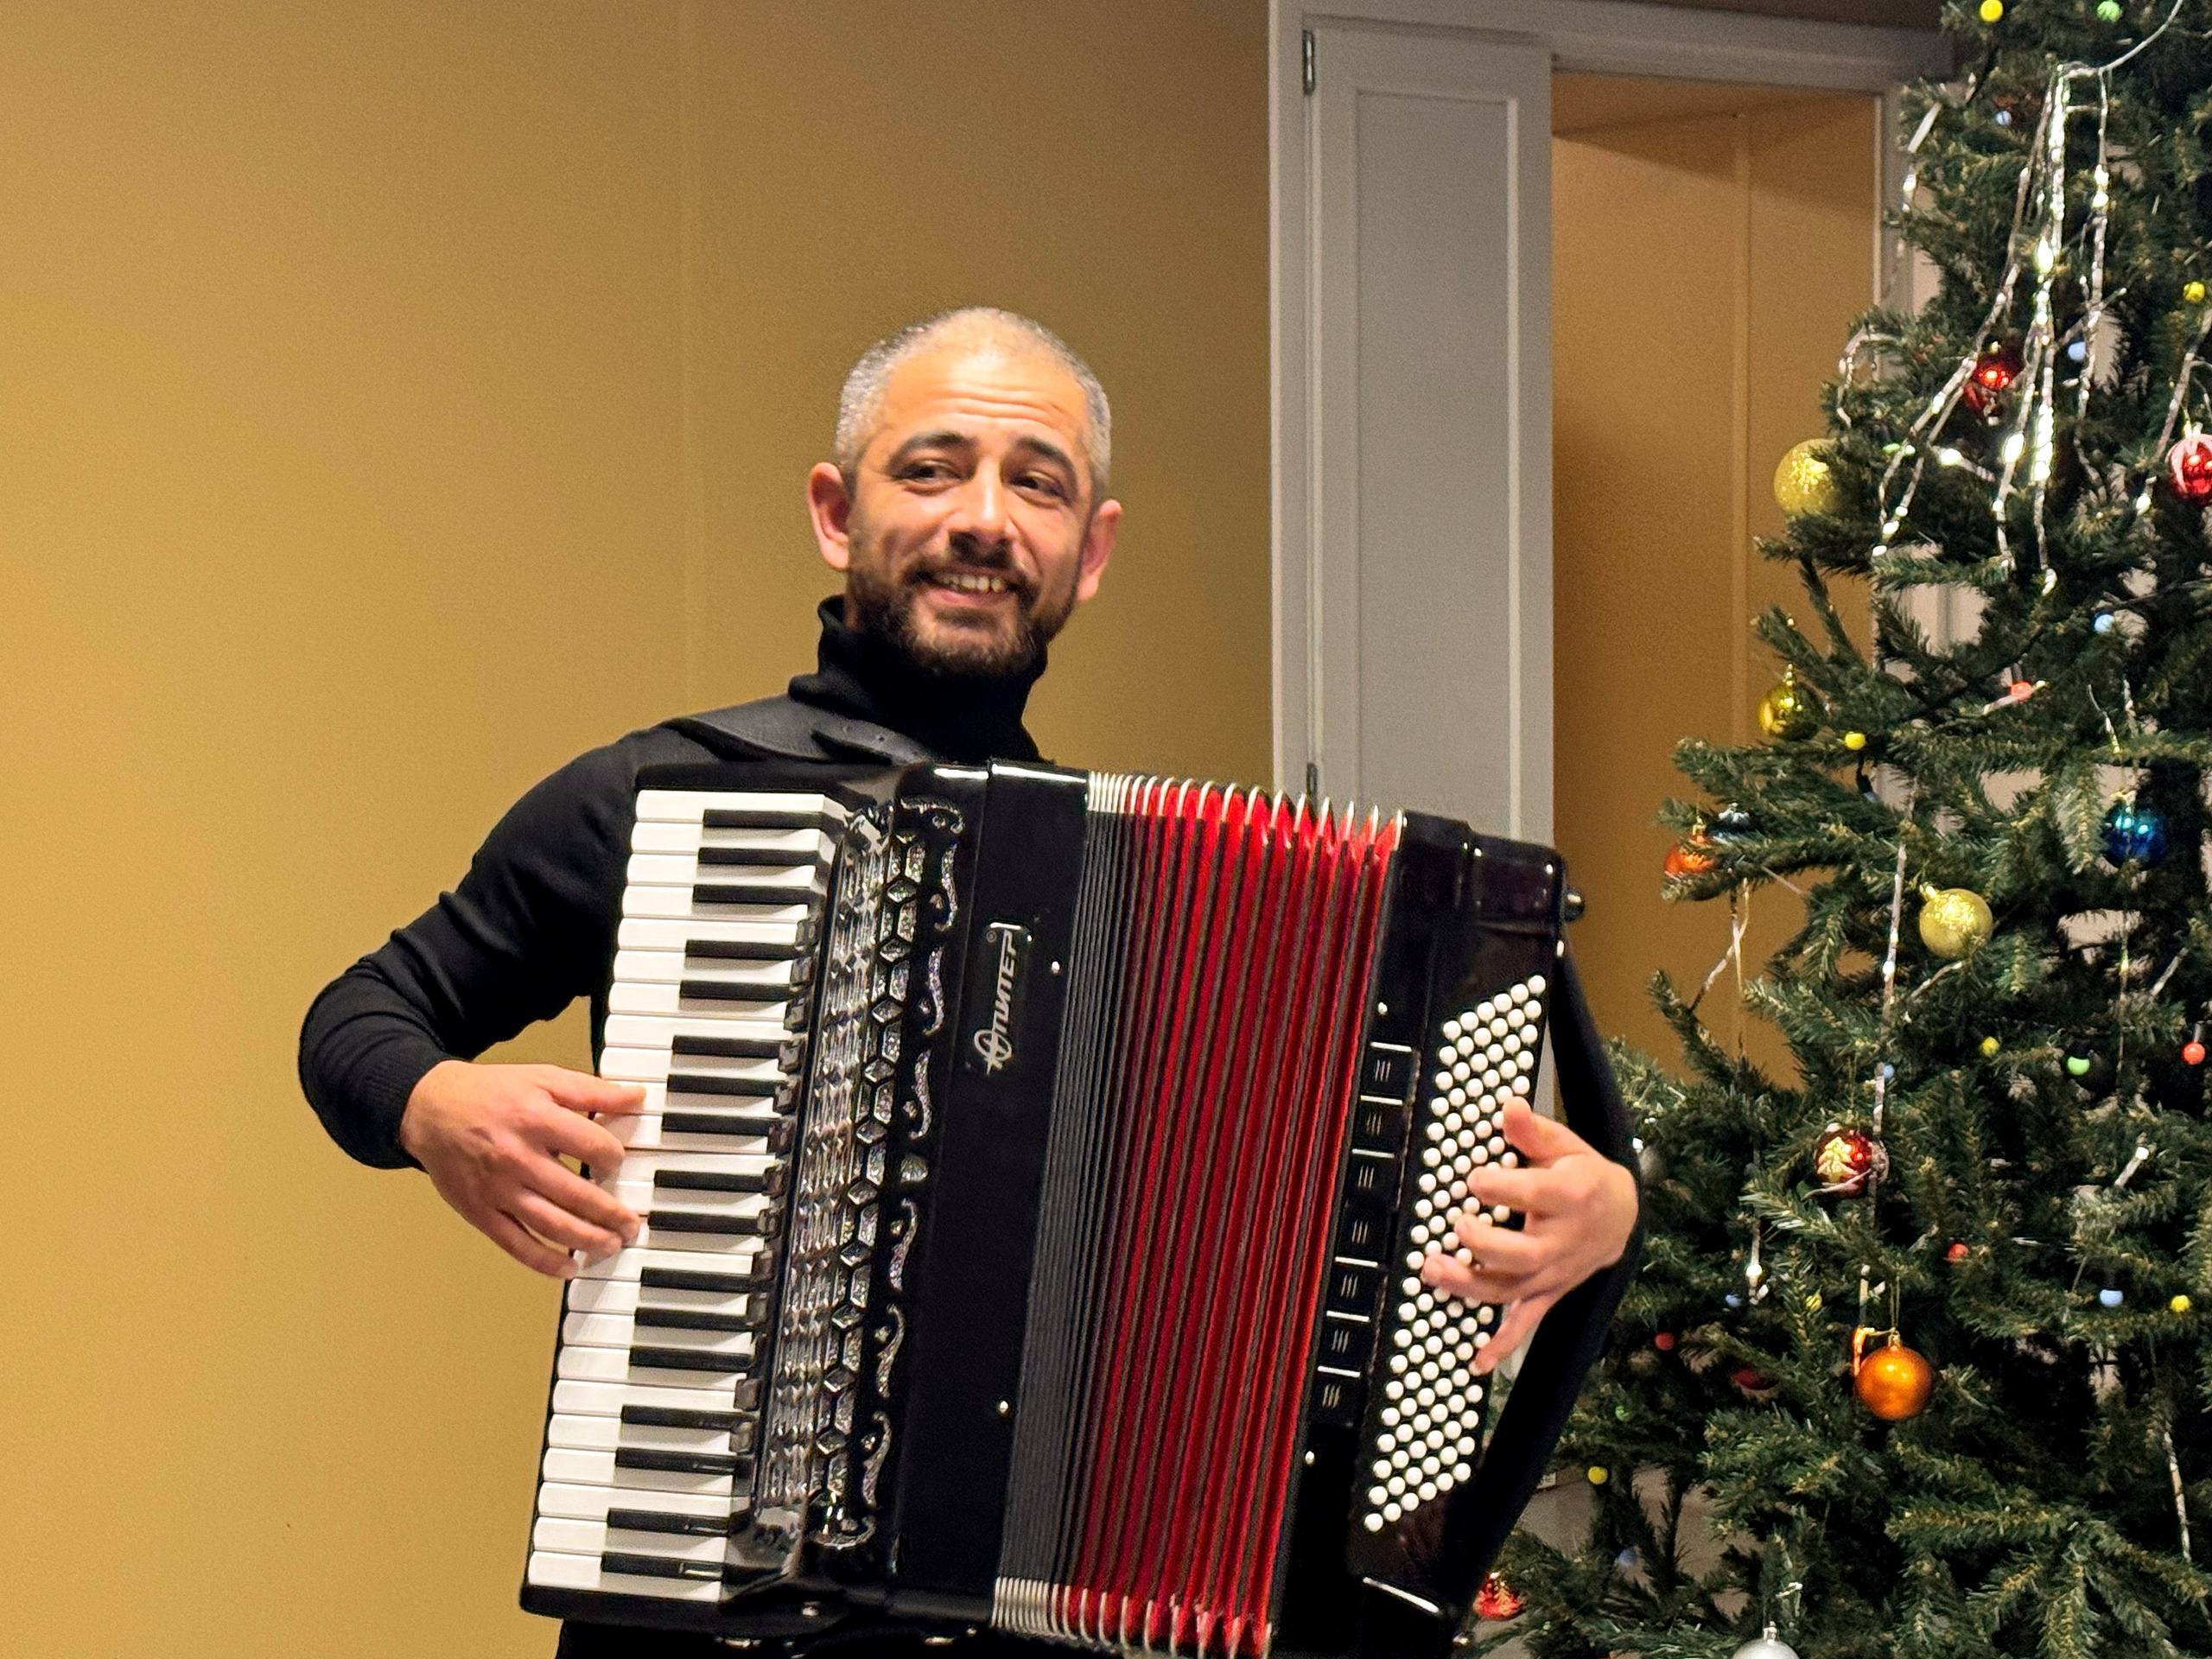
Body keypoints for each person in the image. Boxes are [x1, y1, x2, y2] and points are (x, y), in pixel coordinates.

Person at [299, 306, 1640, 1656]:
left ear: (1090, 550)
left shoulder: (1167, 887)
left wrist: (1597, 1209)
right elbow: (359, 1017)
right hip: (712, 1624)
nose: (983, 519)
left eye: (1036, 482)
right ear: (837, 512)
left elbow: (1377, 1203)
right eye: (931, 469)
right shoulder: (665, 797)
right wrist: (430, 1108)